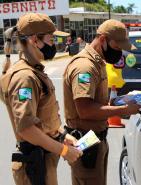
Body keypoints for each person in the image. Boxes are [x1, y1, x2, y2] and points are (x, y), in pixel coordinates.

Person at [63, 19, 141, 185]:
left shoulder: (97, 63)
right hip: (86, 143)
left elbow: (95, 102)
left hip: (95, 141)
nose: (119, 52)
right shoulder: (85, 66)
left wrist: (117, 102)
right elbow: (85, 110)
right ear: (103, 39)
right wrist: (125, 109)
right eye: (117, 47)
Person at [0, 13, 82, 185]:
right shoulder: (25, 77)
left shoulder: (34, 71)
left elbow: (42, 118)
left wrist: (61, 135)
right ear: (34, 40)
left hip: (43, 161)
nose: (54, 45)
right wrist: (64, 150)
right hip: (35, 169)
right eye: (51, 40)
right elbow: (26, 129)